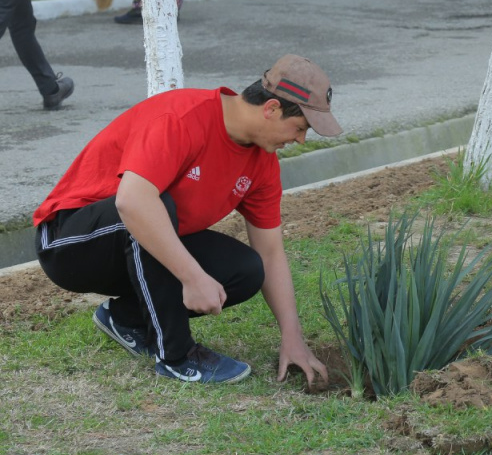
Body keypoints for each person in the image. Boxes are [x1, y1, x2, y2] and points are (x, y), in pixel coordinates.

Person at [33, 55, 341, 386]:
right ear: (271, 109)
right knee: (154, 205)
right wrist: (193, 277)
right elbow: (132, 202)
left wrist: (292, 336)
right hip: (69, 240)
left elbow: (271, 252)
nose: (300, 140)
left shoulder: (263, 164)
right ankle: (177, 357)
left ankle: (125, 319)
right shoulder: (182, 117)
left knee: (247, 269)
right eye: (299, 128)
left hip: (136, 241)